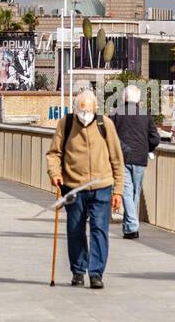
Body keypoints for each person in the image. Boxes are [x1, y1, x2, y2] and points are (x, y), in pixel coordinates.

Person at [45, 88, 124, 289]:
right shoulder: (66, 123)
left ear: (95, 109)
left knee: (99, 229)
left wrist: (118, 191)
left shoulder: (105, 124)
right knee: (75, 229)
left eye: (87, 111)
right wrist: (55, 173)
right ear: (74, 110)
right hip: (74, 185)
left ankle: (96, 273)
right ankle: (78, 271)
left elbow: (117, 159)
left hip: (102, 186)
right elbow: (54, 153)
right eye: (80, 111)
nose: (84, 115)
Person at [111, 83, 161, 240]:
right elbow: (155, 138)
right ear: (138, 99)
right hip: (140, 158)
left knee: (126, 191)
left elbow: (109, 136)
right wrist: (147, 149)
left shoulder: (115, 114)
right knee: (134, 192)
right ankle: (131, 227)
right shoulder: (145, 115)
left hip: (122, 157)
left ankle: (131, 227)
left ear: (124, 97)